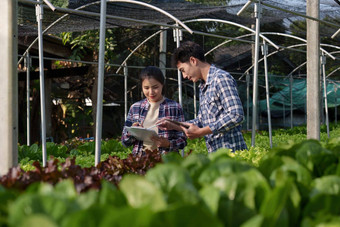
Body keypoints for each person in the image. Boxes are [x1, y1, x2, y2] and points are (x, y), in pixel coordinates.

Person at [157, 41, 247, 153]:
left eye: (183, 70)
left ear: (193, 60)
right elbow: (201, 121)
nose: (184, 76)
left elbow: (236, 115)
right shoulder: (203, 86)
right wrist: (174, 125)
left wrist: (202, 132)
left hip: (232, 154)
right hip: (216, 155)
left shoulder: (221, 79)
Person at [121, 66, 187, 155]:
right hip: (140, 160)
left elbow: (183, 139)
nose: (151, 92)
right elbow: (125, 142)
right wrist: (133, 131)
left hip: (166, 160)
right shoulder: (135, 108)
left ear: (162, 85)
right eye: (146, 88)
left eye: (155, 87)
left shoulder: (174, 107)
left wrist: (168, 144)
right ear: (142, 87)